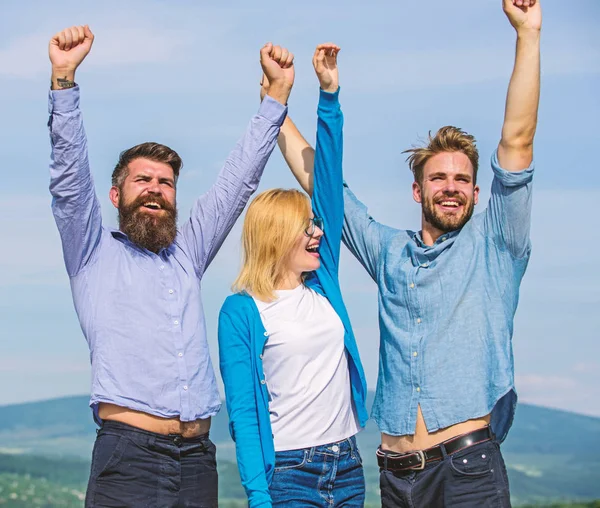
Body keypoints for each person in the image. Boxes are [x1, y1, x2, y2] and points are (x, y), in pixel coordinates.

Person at [273, 1, 541, 506]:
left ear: (478, 194)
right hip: (396, 479)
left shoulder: (496, 245)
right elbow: (326, 190)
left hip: (468, 473)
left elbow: (517, 142)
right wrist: (275, 106)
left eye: (463, 179)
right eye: (438, 177)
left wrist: (527, 34)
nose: (451, 187)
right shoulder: (390, 252)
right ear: (417, 191)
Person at [48, 25, 294, 507]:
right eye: (144, 180)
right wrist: (63, 82)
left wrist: (275, 100)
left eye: (166, 182)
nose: (157, 188)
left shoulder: (187, 253)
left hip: (198, 459)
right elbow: (69, 179)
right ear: (117, 196)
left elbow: (234, 186)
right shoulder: (91, 252)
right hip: (129, 458)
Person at [218, 44, 368, 507]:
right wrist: (260, 497)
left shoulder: (324, 283)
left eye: (316, 224)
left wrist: (329, 95)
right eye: (306, 226)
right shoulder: (241, 311)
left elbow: (328, 181)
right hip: (288, 474)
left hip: (347, 466)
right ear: (276, 236)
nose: (317, 234)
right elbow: (243, 414)